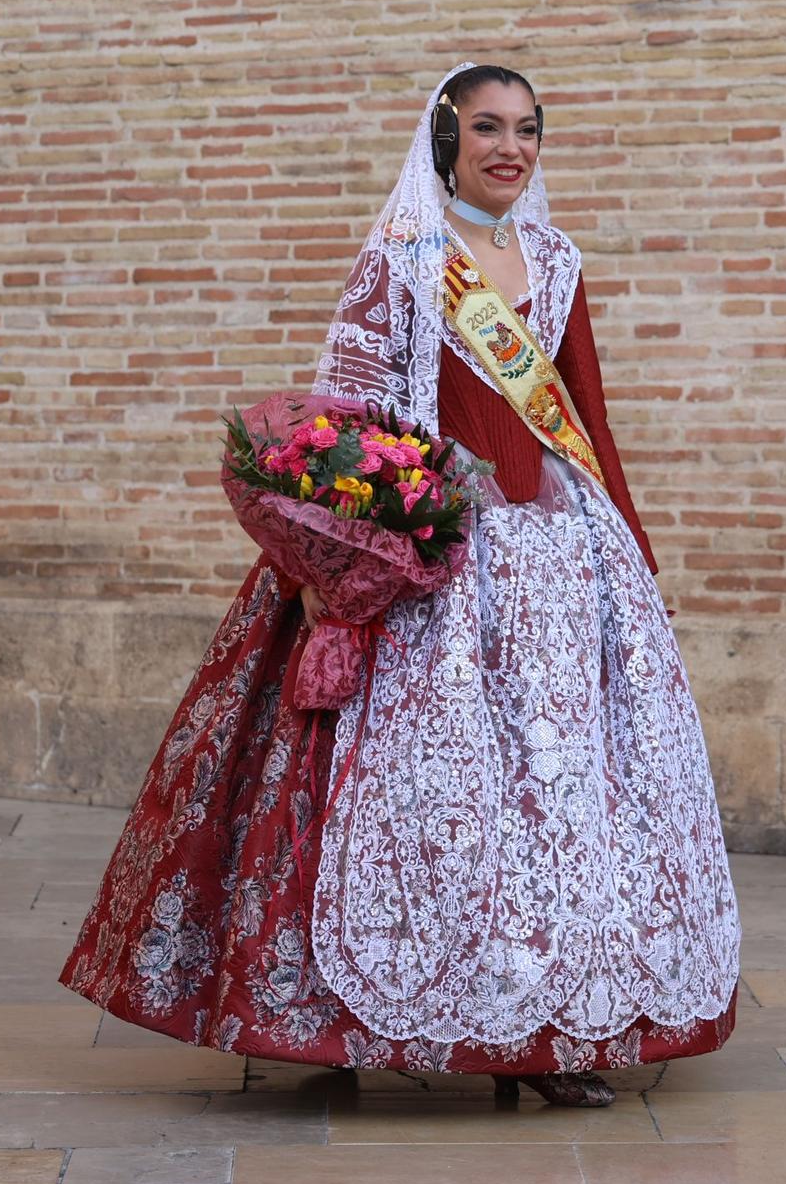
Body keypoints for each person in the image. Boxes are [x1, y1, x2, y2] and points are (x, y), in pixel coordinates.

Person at [60, 63, 741, 1108]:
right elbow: (349, 420)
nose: (509, 148)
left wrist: (632, 561)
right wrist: (348, 560)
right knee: (410, 794)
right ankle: (344, 1020)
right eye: (486, 128)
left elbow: (587, 421)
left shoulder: (555, 263)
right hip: (431, 559)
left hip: (560, 558)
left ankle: (549, 1029)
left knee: (559, 804)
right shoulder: (404, 262)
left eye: (525, 129)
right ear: (444, 139)